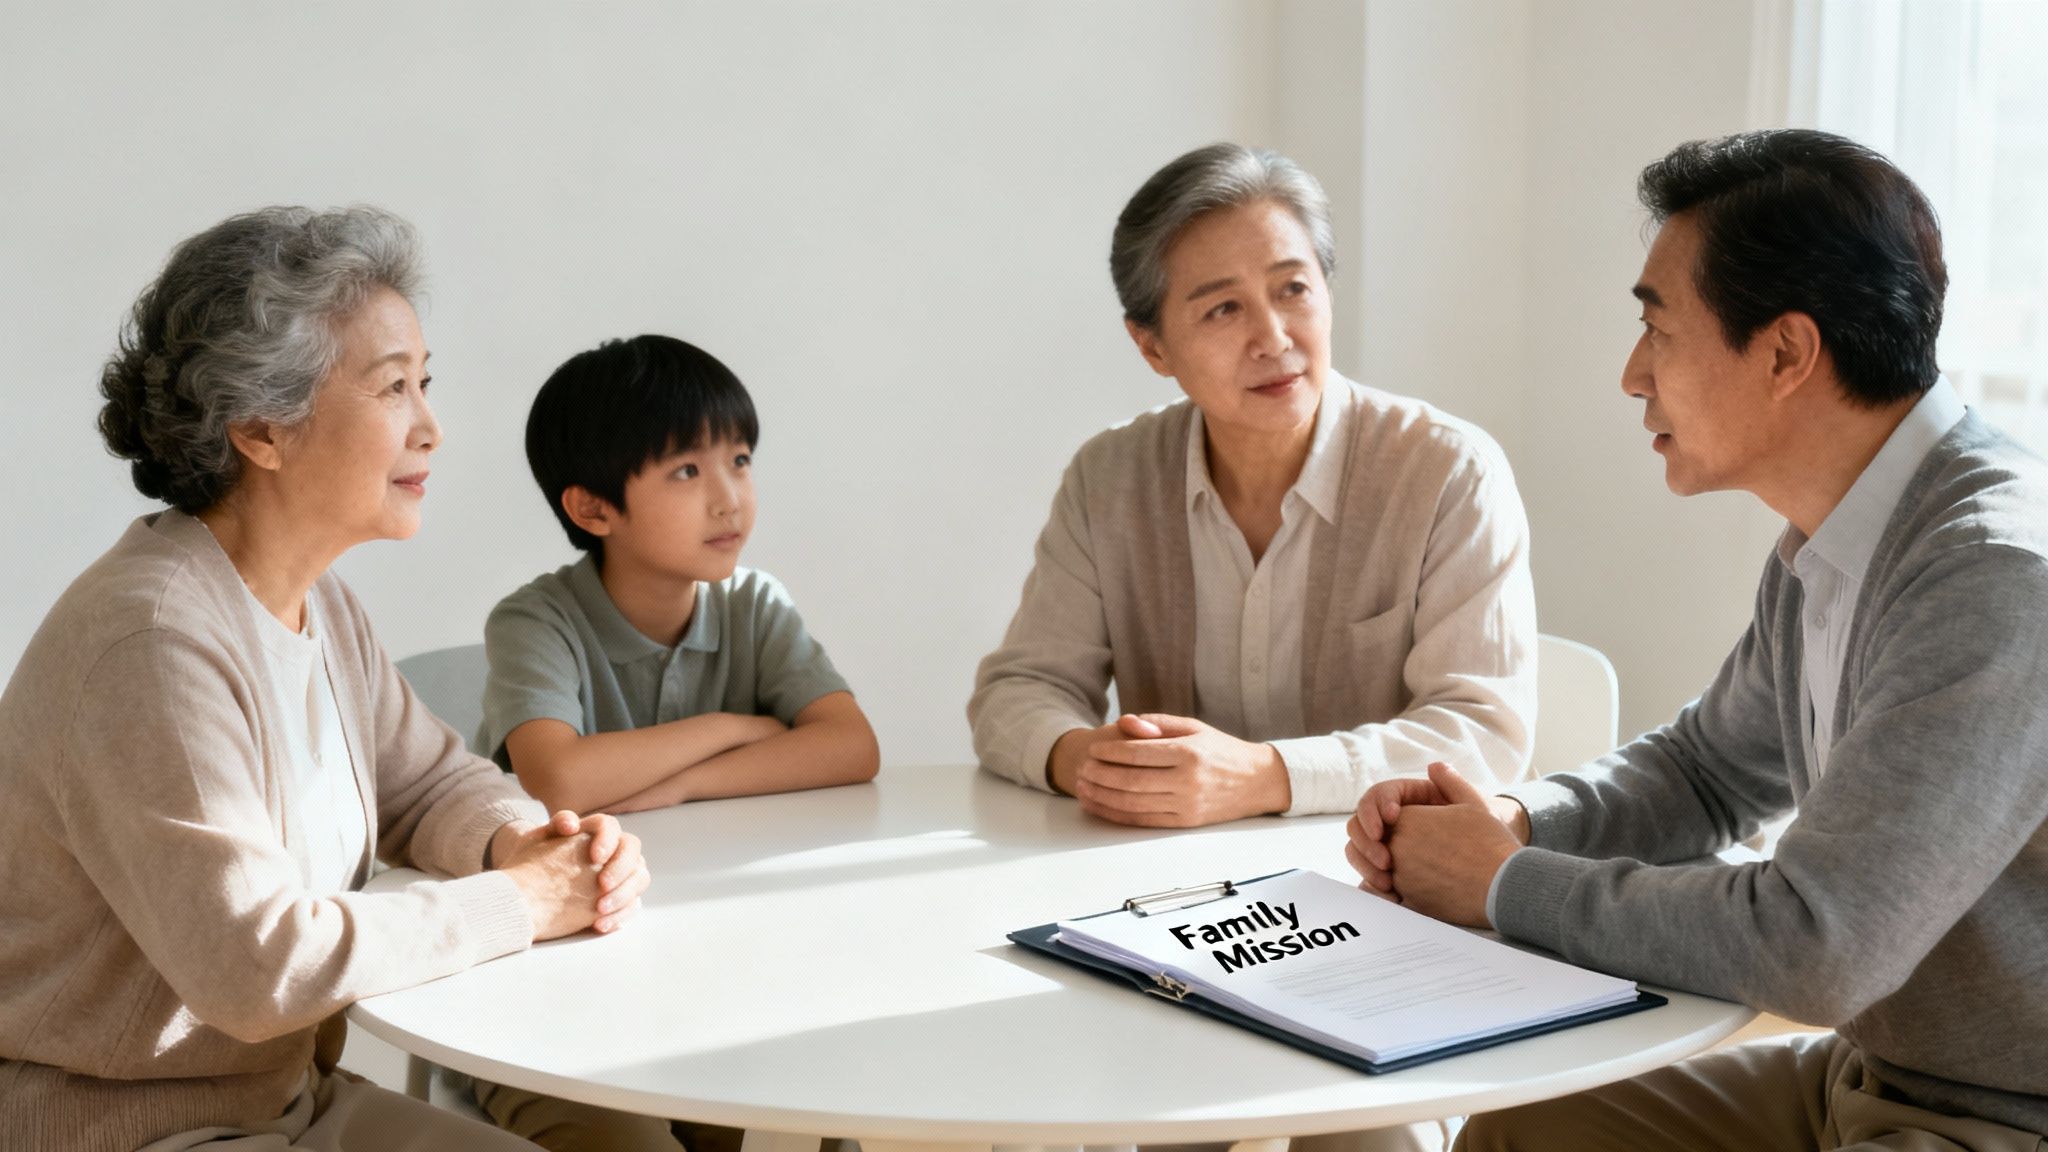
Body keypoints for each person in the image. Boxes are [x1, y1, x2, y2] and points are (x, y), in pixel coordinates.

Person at [1348, 129, 2048, 1150]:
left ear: (1783, 353)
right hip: (1878, 1077)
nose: (1632, 375)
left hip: (2003, 1118)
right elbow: (1706, 775)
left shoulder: (1991, 577)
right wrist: (1510, 824)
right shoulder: (1833, 538)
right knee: (1518, 1135)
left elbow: (1819, 944)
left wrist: (1500, 885)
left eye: (1658, 329)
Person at [0, 206, 646, 1152]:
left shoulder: (315, 600)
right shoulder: (149, 642)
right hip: (125, 1132)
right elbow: (258, 966)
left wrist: (526, 842)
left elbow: (425, 784)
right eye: (392, 389)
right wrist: (521, 902)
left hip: (286, 1104)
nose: (430, 427)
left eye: (424, 383)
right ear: (262, 429)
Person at [970, 142, 1538, 828]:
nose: (1273, 338)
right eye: (1223, 310)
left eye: (1293, 289)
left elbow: (1483, 734)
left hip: (1388, 878)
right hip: (1166, 882)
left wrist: (1263, 777)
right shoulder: (1110, 479)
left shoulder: (1449, 471)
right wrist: (1089, 757)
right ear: (1153, 347)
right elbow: (1019, 690)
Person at [469, 334, 879, 1150]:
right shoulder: (535, 620)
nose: (730, 499)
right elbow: (559, 782)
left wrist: (682, 785)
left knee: (817, 1088)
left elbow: (848, 747)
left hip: (705, 970)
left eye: (740, 460)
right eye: (687, 472)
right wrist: (731, 730)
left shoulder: (754, 604)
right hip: (542, 992)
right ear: (593, 509)